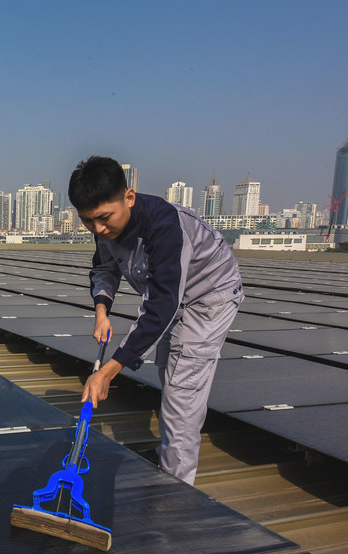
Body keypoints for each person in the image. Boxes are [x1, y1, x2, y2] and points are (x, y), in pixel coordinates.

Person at [69, 156, 243, 485]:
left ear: (129, 197)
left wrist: (107, 372)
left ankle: (175, 491)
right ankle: (169, 455)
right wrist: (102, 312)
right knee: (168, 370)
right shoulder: (102, 226)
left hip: (209, 297)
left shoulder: (164, 227)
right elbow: (104, 268)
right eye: (88, 222)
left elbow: (161, 305)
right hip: (173, 296)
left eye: (105, 219)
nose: (99, 230)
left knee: (182, 391)